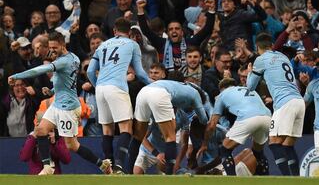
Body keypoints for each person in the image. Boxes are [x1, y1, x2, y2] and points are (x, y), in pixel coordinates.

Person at [8, 31, 112, 175]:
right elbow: (67, 82)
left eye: (55, 47)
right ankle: (48, 167)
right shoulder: (73, 57)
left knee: (72, 145)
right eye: (50, 47)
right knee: (40, 130)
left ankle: (102, 165)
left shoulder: (63, 61)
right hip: (59, 102)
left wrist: (18, 75)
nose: (52, 50)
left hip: (67, 108)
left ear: (63, 45)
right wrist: (52, 91)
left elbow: (41, 69)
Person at [87, 17, 151, 174]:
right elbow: (140, 73)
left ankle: (108, 167)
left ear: (114, 31)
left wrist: (98, 86)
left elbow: (89, 71)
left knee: (107, 130)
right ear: (129, 32)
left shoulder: (102, 45)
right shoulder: (132, 44)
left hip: (100, 88)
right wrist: (153, 84)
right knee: (126, 128)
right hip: (117, 87)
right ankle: (119, 166)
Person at [247, 32, 305, 176]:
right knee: (287, 144)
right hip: (299, 101)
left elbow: (250, 87)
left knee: (274, 142)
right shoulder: (283, 56)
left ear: (257, 46)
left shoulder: (261, 60)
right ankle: (296, 179)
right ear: (272, 45)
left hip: (285, 103)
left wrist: (250, 73)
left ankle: (285, 179)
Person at [128, 80, 209, 175]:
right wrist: (207, 128)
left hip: (143, 93)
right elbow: (204, 120)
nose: (190, 109)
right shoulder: (195, 94)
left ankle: (128, 175)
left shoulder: (177, 92)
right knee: (170, 137)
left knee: (138, 136)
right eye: (192, 107)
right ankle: (170, 177)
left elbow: (184, 143)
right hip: (158, 95)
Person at [198, 78, 271, 175]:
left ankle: (232, 179)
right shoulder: (249, 89)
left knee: (225, 150)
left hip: (248, 117)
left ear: (222, 89)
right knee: (258, 152)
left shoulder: (223, 94)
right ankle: (265, 178)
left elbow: (212, 125)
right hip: (267, 117)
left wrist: (204, 144)